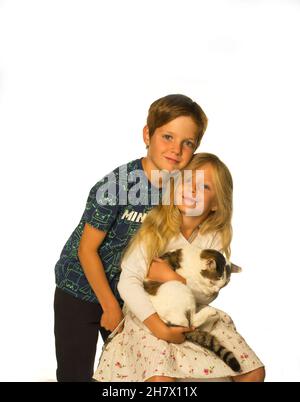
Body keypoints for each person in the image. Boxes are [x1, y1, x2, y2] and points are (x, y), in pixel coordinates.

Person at [54, 94, 208, 382]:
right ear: (147, 135)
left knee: (128, 371)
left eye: (187, 143)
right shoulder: (116, 185)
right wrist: (110, 307)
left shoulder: (180, 189)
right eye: (167, 137)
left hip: (129, 291)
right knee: (75, 374)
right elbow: (87, 251)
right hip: (80, 289)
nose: (176, 149)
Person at [93, 153, 265, 382]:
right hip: (150, 315)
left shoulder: (211, 240)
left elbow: (206, 294)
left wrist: (172, 277)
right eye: (188, 181)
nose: (192, 190)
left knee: (253, 372)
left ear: (215, 204)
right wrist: (158, 326)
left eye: (204, 186)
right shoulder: (154, 231)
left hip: (189, 312)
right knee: (161, 376)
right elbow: (128, 281)